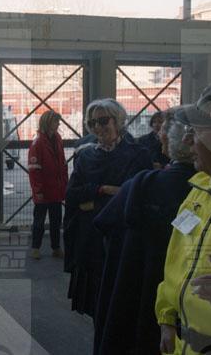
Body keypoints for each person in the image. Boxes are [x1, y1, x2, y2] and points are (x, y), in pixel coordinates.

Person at [92, 108, 196, 355]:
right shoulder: (208, 194)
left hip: (131, 293)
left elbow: (105, 228)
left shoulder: (139, 187)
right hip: (190, 309)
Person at [155, 73, 211, 355]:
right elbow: (175, 261)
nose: (186, 140)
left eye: (196, 131)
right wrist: (167, 316)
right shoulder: (199, 192)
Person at [64, 98, 151, 318]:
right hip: (91, 242)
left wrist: (92, 201)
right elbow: (72, 195)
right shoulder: (86, 156)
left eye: (103, 121)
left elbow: (136, 198)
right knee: (95, 304)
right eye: (92, 123)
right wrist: (103, 189)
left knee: (121, 306)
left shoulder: (137, 155)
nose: (98, 127)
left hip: (121, 240)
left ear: (118, 121)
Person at [28, 110, 68, 260]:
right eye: (56, 121)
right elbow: (34, 170)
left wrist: (64, 184)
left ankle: (56, 248)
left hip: (55, 189)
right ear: (48, 123)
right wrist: (38, 191)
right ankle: (35, 248)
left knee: (56, 221)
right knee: (39, 221)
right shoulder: (38, 142)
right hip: (44, 191)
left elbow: (62, 163)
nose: (58, 124)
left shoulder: (57, 139)